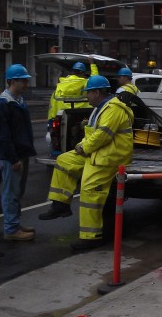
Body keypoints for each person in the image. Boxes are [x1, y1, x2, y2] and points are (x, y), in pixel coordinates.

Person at [38, 75, 134, 251]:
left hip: (110, 157)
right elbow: (97, 132)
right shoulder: (101, 108)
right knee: (63, 160)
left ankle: (91, 237)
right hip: (98, 152)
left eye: (88, 93)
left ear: (97, 92)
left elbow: (102, 135)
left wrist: (83, 147)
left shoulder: (113, 109)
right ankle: (60, 205)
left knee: (89, 189)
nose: (86, 97)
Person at [0, 64, 37, 241]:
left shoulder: (19, 101)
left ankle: (15, 222)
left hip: (21, 153)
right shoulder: (3, 103)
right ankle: (11, 229)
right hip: (10, 157)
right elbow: (3, 136)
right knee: (10, 192)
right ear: (12, 81)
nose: (26, 84)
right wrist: (13, 158)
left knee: (17, 192)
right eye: (23, 81)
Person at [47, 58, 99, 131]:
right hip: (80, 114)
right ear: (83, 73)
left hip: (61, 115)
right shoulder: (85, 83)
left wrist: (51, 120)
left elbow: (52, 105)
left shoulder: (61, 85)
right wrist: (92, 64)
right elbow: (95, 79)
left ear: (72, 72)